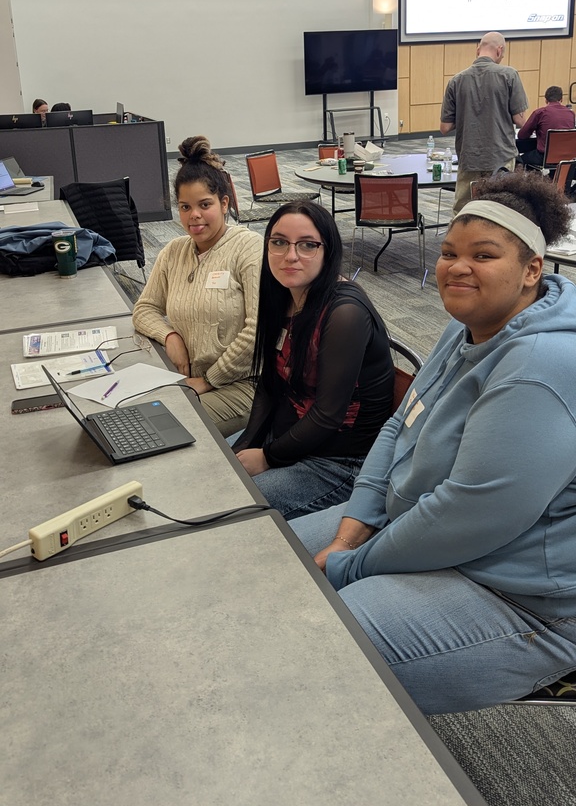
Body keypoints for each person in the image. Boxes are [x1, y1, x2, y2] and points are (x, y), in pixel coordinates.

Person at [290, 171, 576, 715]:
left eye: (484, 255)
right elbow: (401, 425)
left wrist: (350, 564)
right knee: (271, 563)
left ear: (531, 270)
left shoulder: (540, 366)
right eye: (448, 252)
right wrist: (353, 531)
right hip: (422, 523)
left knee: (311, 647)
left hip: (520, 594)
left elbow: (471, 512)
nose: (457, 268)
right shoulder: (465, 326)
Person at [232, 200, 395, 519]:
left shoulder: (345, 313)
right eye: (278, 242)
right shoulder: (283, 292)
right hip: (294, 439)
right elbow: (269, 384)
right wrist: (246, 444)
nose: (290, 256)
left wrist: (266, 456)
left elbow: (327, 415)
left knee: (233, 503)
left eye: (307, 245)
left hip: (342, 462)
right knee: (211, 470)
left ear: (327, 250)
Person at [133, 135, 263, 437]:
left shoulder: (248, 248)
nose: (194, 215)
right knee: (137, 413)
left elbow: (258, 330)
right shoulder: (175, 251)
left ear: (224, 202)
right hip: (190, 378)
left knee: (164, 430)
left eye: (205, 205)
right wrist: (170, 336)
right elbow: (145, 309)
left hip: (245, 384)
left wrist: (211, 379)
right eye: (185, 207)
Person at [440, 31, 528, 214]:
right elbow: (520, 120)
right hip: (501, 156)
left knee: (463, 211)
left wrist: (468, 114)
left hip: (469, 157)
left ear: (478, 49)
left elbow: (445, 127)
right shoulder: (509, 75)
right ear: (499, 50)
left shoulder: (456, 80)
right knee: (502, 209)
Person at [516, 85, 575, 168]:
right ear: (561, 99)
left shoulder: (540, 113)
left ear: (546, 100)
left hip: (544, 157)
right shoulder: (571, 114)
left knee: (519, 159)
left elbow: (522, 135)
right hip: (566, 158)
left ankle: (535, 179)